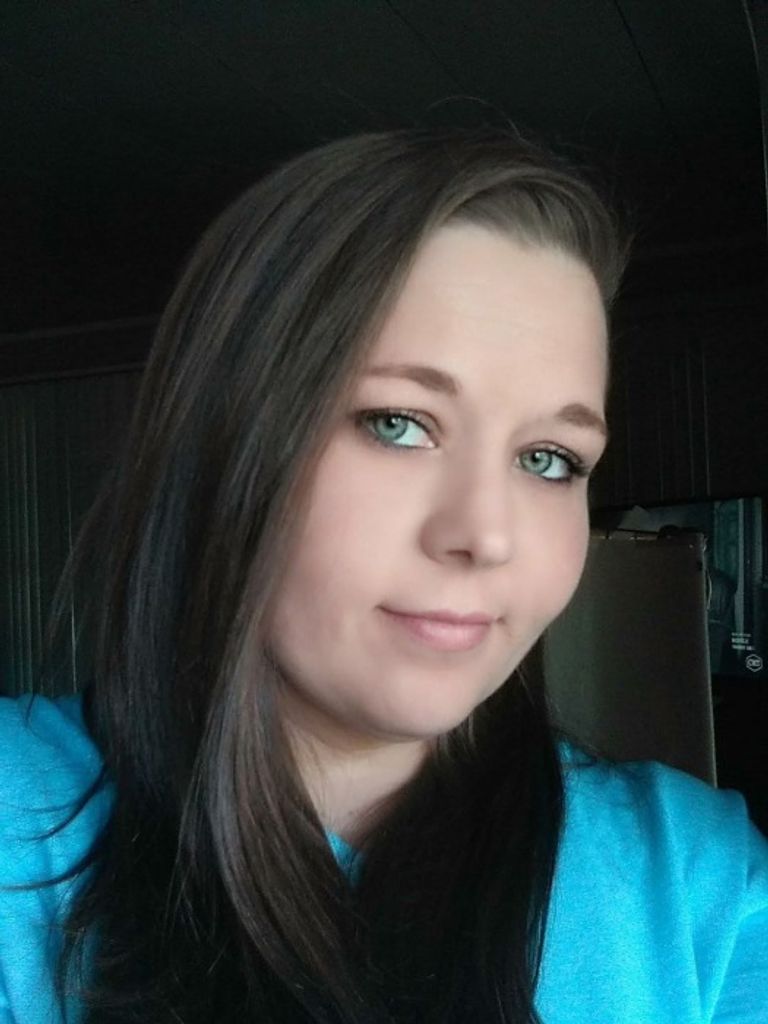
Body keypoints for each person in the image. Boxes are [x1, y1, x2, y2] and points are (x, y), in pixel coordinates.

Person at [0, 128, 766, 1024]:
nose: (485, 535)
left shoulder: (696, 888)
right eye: (398, 424)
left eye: (550, 459)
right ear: (221, 445)